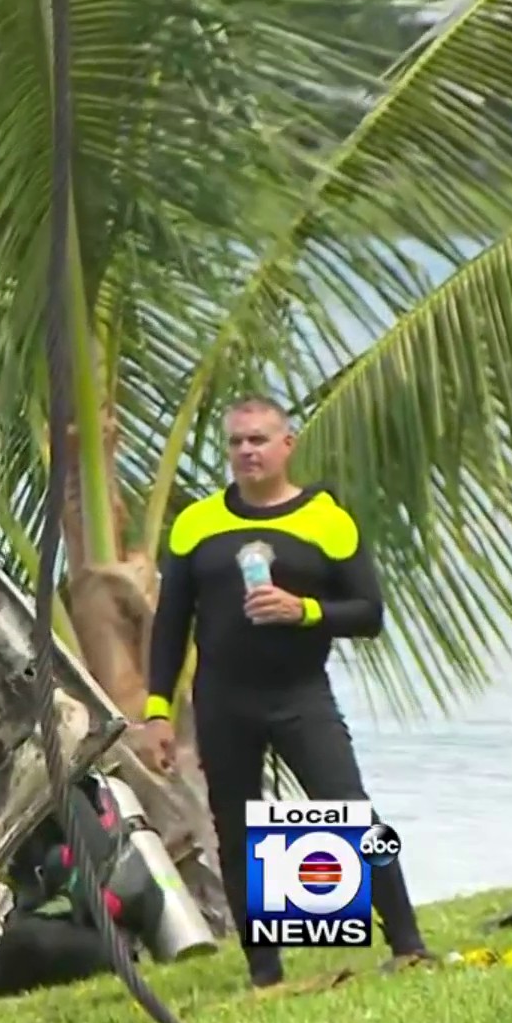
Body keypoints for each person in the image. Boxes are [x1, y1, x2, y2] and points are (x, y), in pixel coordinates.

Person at [138, 396, 433, 989]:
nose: (247, 451)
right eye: (236, 442)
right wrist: (157, 711)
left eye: (259, 440)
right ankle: (265, 974)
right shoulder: (198, 524)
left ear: (287, 445)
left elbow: (368, 613)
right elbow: (170, 624)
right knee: (238, 832)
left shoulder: (326, 517)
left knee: (354, 812)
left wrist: (304, 610)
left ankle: (408, 945)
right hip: (223, 701)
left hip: (301, 695)